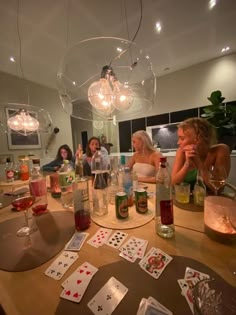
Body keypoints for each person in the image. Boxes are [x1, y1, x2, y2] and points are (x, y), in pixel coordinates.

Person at [171, 117, 231, 190]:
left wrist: (199, 164)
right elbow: (173, 185)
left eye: (182, 138)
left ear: (198, 139)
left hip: (210, 199)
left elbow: (218, 188)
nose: (178, 142)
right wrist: (186, 165)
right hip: (187, 199)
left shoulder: (220, 150)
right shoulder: (181, 152)